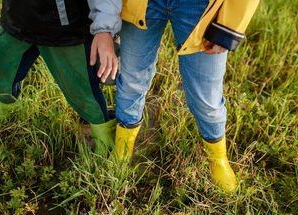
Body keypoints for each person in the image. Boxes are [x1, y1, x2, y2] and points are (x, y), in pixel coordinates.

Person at [89, 0, 260, 192]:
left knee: (206, 97)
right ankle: (123, 148)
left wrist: (229, 26)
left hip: (200, 6)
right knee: (131, 80)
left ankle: (218, 159)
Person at [0, 0, 120, 156]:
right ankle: (5, 106)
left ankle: (101, 130)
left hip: (65, 27)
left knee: (80, 86)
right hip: (18, 19)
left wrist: (104, 27)